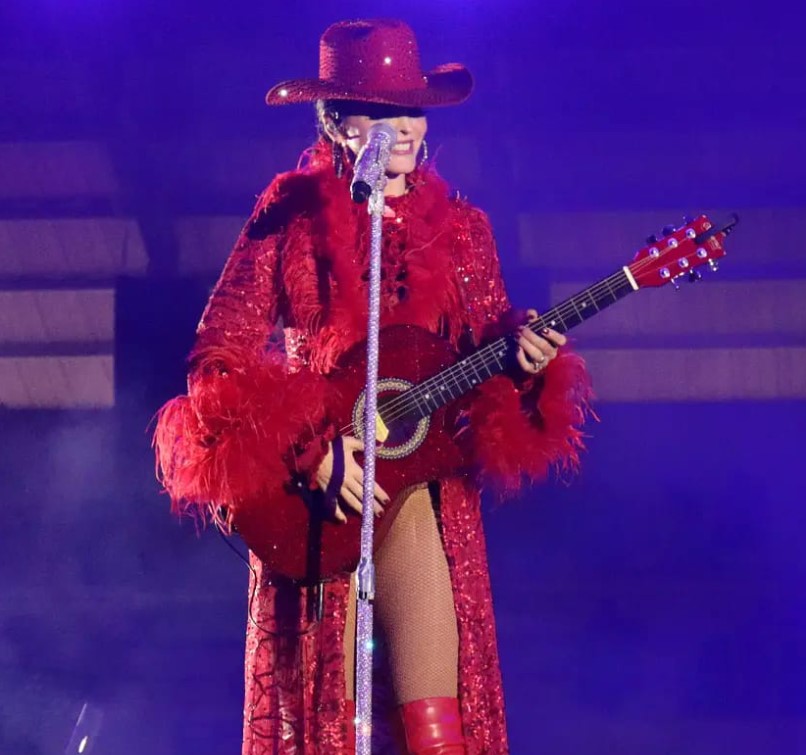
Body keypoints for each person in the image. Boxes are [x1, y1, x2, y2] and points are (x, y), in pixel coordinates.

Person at [154, 18, 591, 755]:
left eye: (413, 111)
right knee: (331, 720)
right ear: (337, 123)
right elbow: (216, 360)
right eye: (384, 114)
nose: (407, 130)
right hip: (321, 496)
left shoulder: (464, 230)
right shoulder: (289, 217)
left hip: (420, 490)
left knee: (436, 722)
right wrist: (307, 449)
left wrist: (523, 368)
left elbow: (485, 389)